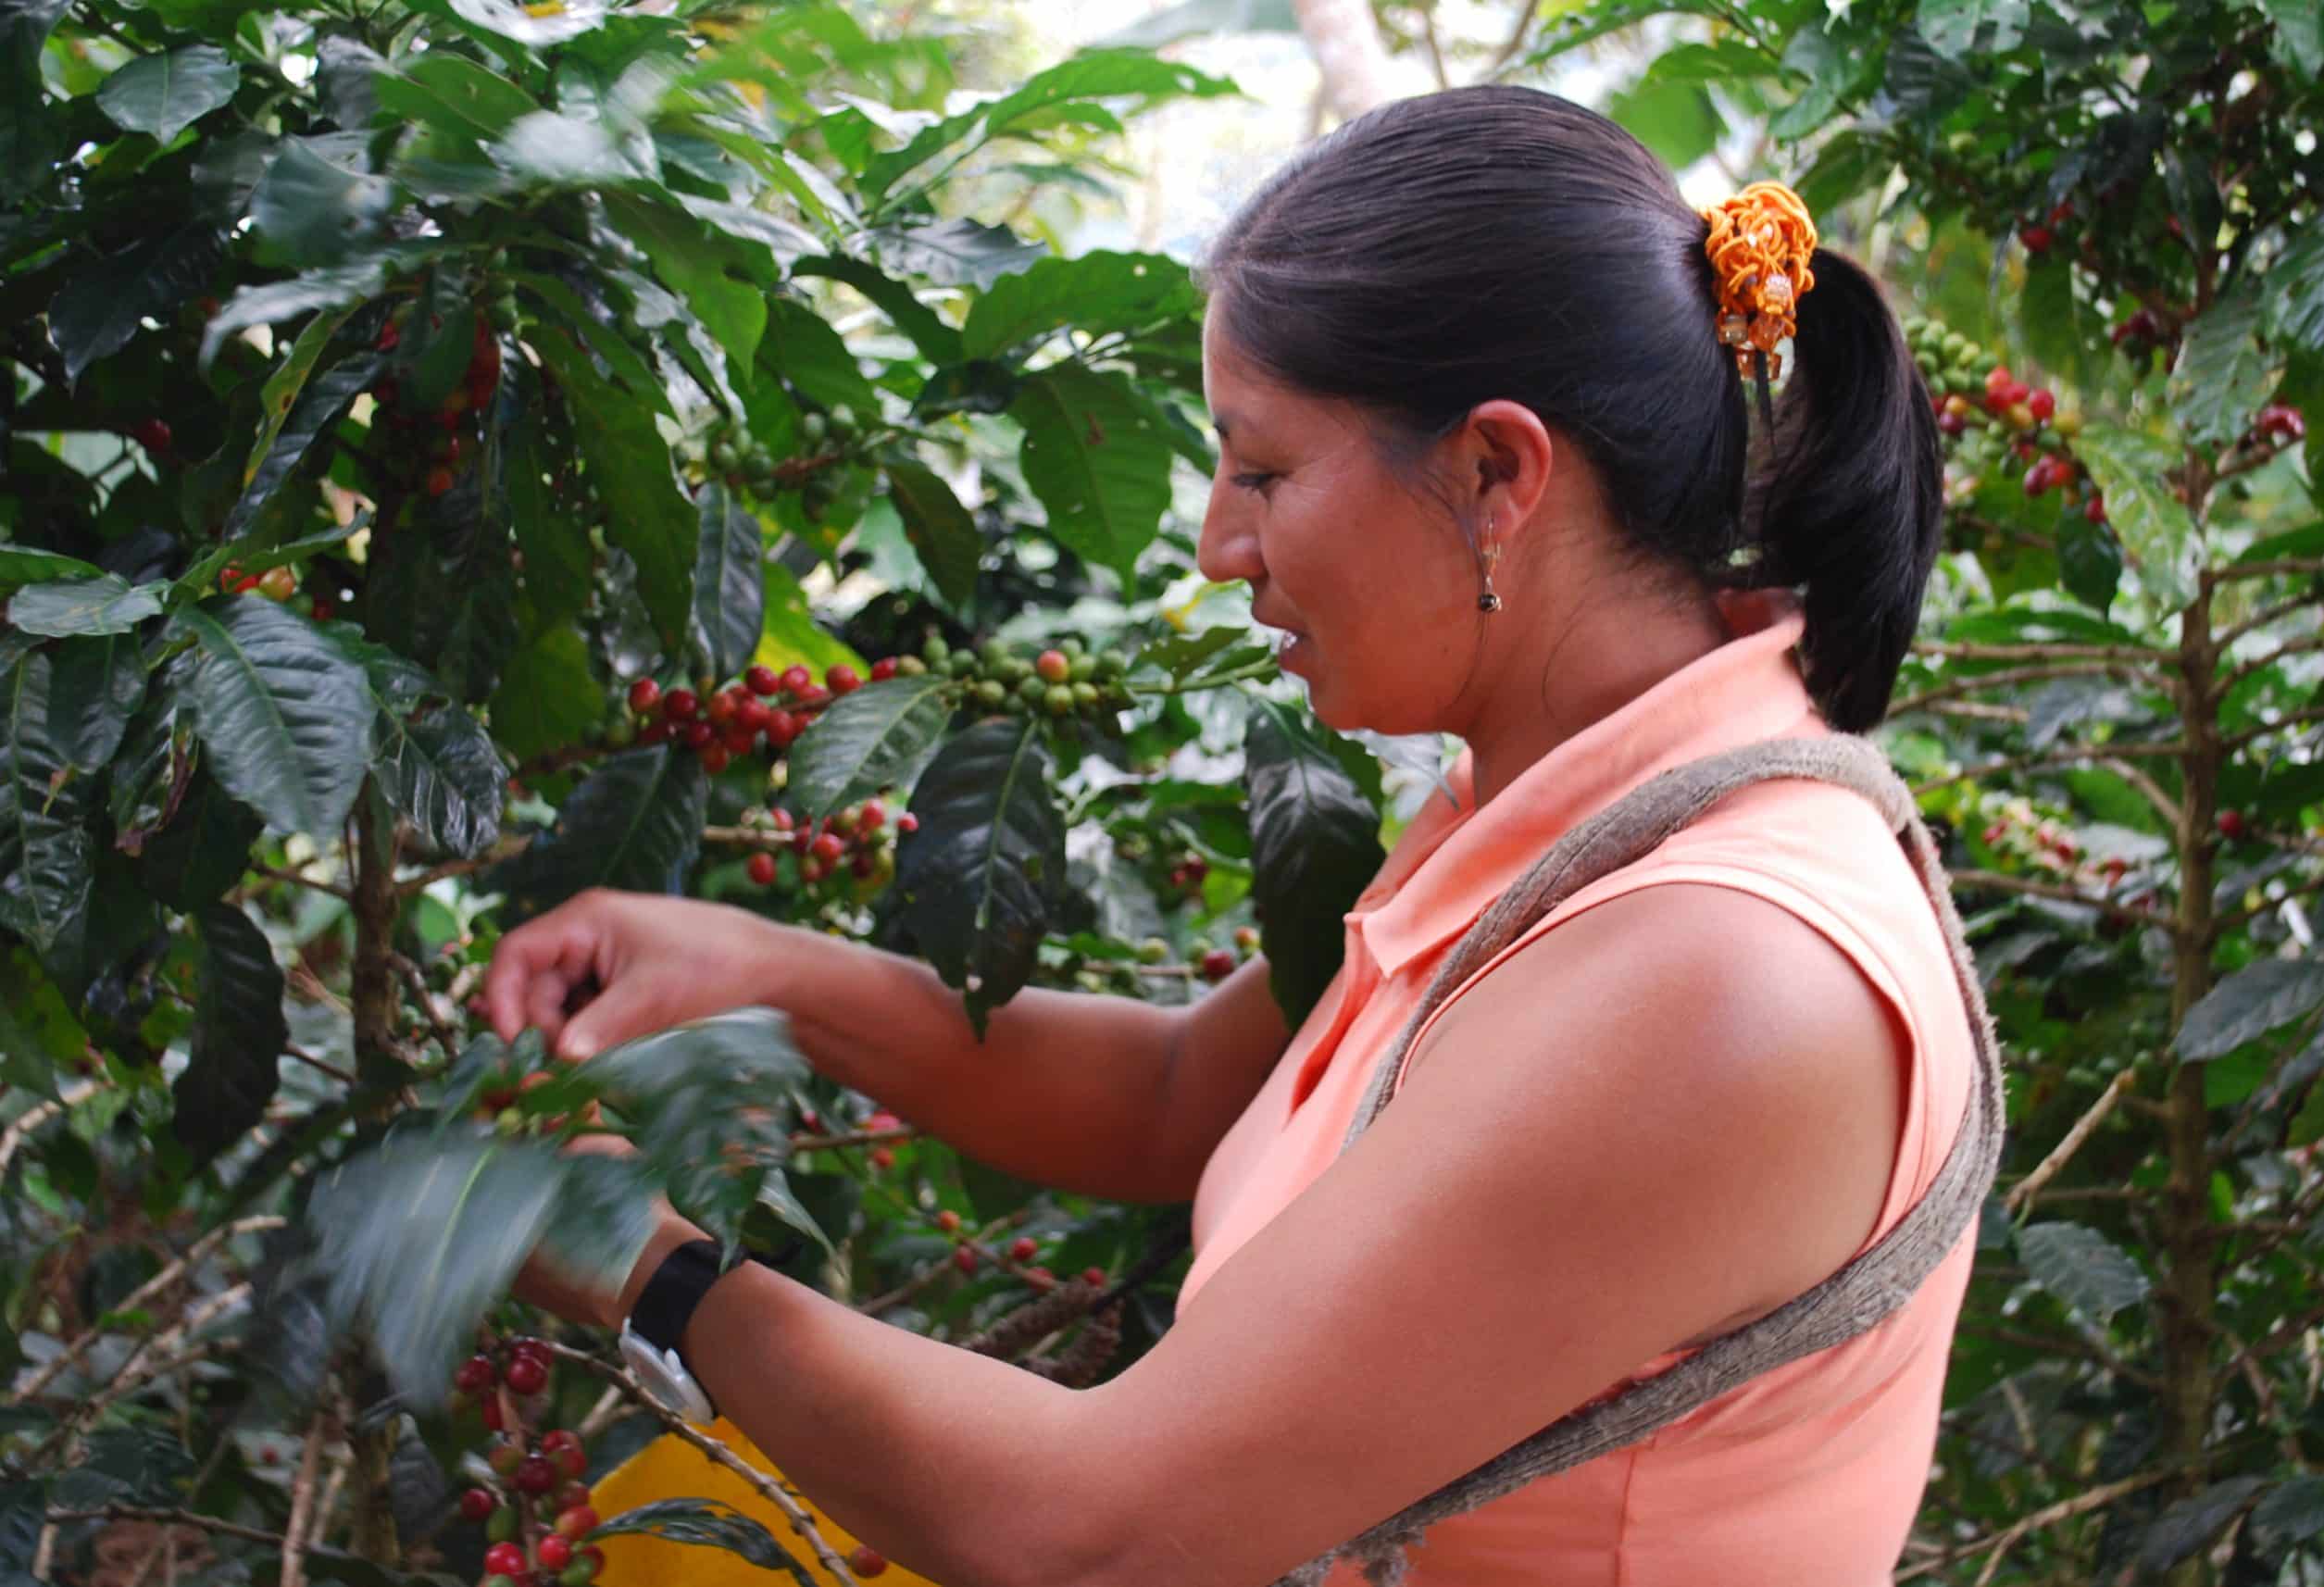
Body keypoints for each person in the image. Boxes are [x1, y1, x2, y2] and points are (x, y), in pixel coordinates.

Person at [486, 83, 1970, 1587]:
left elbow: (1094, 1526)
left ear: (1496, 475)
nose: (1217, 543)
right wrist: (760, 972)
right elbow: (1184, 1094)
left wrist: (650, 1267)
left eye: (1260, 469)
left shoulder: (1715, 963)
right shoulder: (1571, 799)